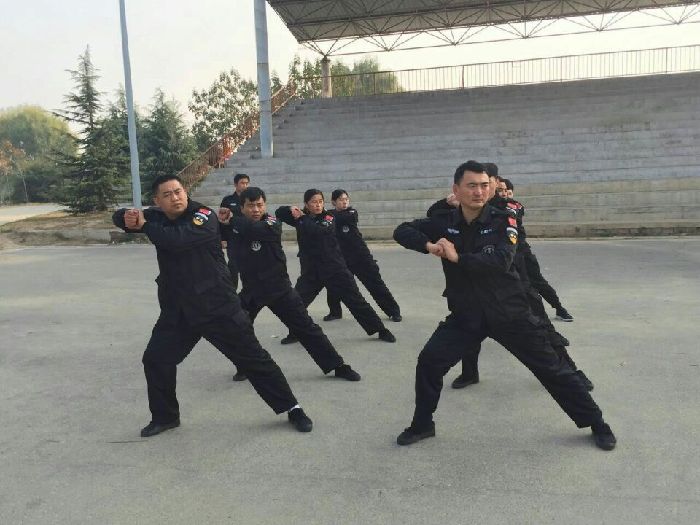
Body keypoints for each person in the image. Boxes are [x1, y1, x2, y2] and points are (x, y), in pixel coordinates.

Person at [393, 161, 615, 450]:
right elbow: (402, 230)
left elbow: (501, 260)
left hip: (510, 313)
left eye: (484, 185)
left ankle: (597, 423)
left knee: (553, 369)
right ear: (456, 190)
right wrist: (430, 246)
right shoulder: (444, 222)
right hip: (466, 316)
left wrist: (459, 258)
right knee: (429, 362)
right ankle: (422, 424)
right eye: (472, 185)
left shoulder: (503, 220)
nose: (479, 191)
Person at [112, 175, 313, 437]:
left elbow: (178, 240)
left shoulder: (204, 216)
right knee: (156, 359)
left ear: (185, 192)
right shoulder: (157, 217)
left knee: (254, 360)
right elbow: (123, 219)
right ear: (157, 201)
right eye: (167, 195)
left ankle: (293, 408)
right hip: (179, 311)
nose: (175, 198)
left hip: (218, 306)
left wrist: (144, 225)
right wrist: (125, 217)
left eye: (178, 191)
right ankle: (165, 417)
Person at [218, 186, 361, 383]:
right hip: (251, 291)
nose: (256, 210)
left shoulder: (271, 223)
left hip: (279, 289)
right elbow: (217, 233)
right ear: (242, 208)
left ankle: (338, 366)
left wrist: (232, 219)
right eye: (250, 206)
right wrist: (223, 220)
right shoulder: (235, 225)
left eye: (259, 205)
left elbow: (254, 229)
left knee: (307, 329)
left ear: (265, 205)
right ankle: (245, 366)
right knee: (237, 330)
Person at [276, 189, 396, 344]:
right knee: (296, 303)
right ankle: (296, 333)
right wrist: (290, 209)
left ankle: (381, 330)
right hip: (311, 272)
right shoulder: (301, 218)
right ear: (306, 204)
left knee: (356, 301)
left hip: (334, 268)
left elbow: (318, 231)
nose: (318, 205)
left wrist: (302, 218)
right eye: (314, 202)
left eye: (320, 201)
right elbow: (279, 213)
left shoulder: (328, 217)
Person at [323, 189, 401, 323]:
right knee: (335, 284)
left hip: (361, 256)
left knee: (375, 284)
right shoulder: (330, 215)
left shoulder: (352, 213)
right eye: (341, 200)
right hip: (341, 258)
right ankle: (335, 312)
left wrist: (327, 215)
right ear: (333, 202)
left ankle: (393, 312)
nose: (344, 202)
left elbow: (340, 218)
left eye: (346, 199)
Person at [219, 173, 250, 290]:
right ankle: (232, 292)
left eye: (247, 183)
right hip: (232, 238)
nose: (245, 185)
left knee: (249, 266)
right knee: (233, 266)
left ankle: (249, 291)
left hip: (248, 236)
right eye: (242, 183)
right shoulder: (228, 200)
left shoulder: (250, 199)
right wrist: (222, 238)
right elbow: (221, 220)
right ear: (236, 185)